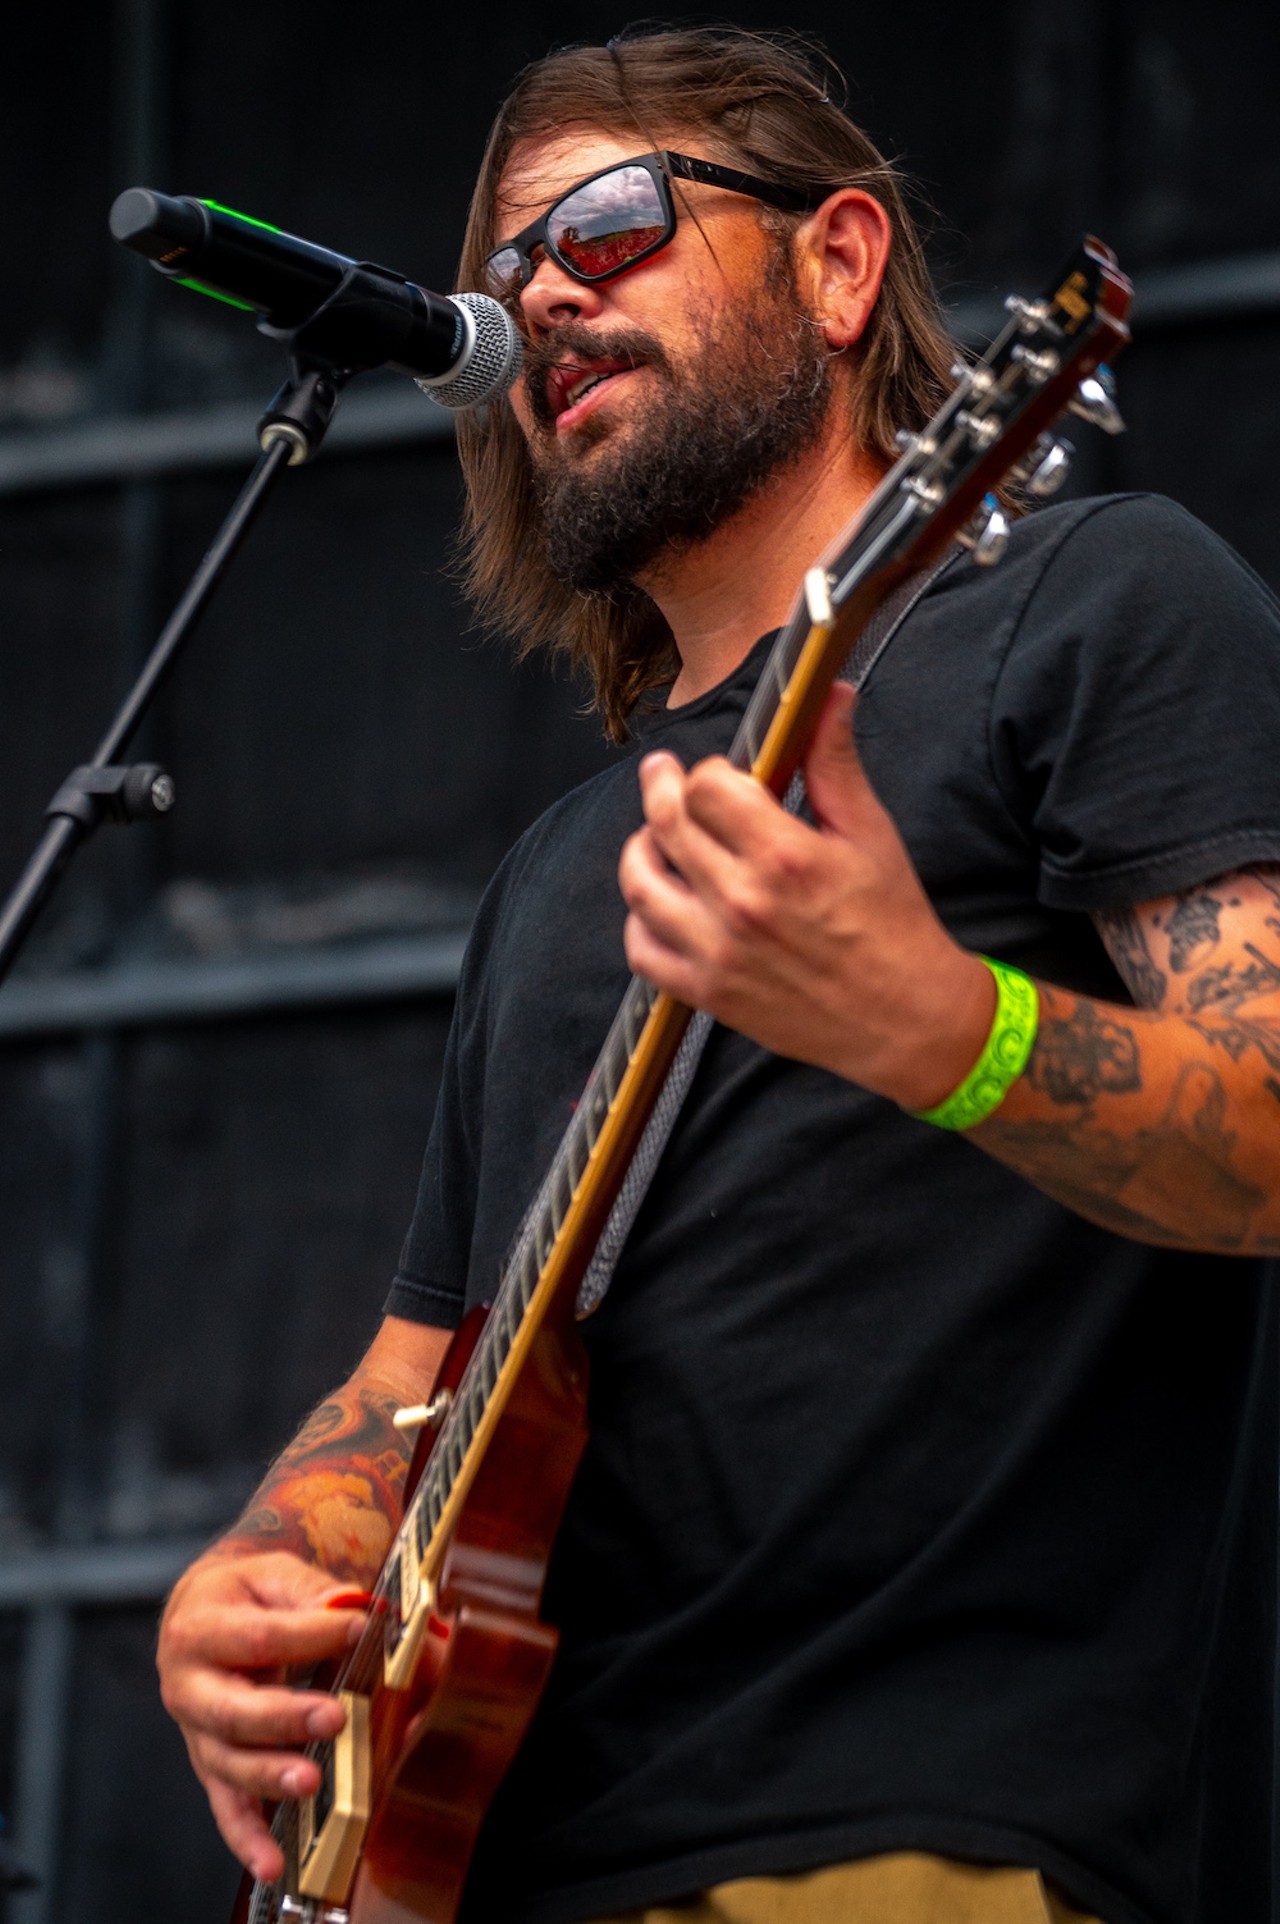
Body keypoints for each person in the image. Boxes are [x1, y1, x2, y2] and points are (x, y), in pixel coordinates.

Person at [156, 27, 1280, 1924]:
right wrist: (253, 1578)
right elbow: (415, 1385)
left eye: (607, 223)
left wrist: (944, 1025)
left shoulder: (1095, 606)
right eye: (508, 268)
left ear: (840, 263)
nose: (543, 297)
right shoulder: (545, 880)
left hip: (918, 1835)